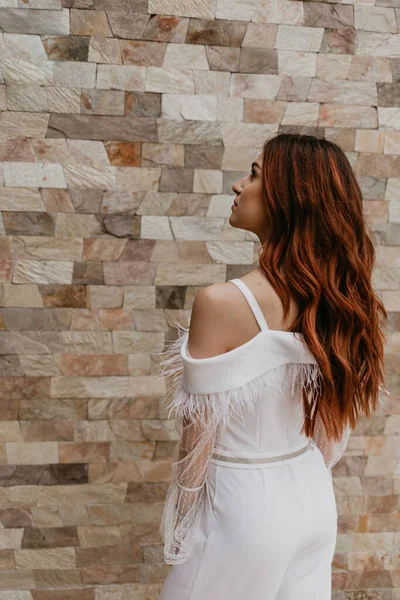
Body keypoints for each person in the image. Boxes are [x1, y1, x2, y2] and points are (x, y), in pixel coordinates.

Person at [156, 133, 390, 600]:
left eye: (256, 175)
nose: (238, 186)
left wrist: (181, 527)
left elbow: (197, 437)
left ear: (291, 196)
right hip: (313, 498)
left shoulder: (221, 302)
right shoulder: (335, 301)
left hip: (242, 508)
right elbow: (328, 428)